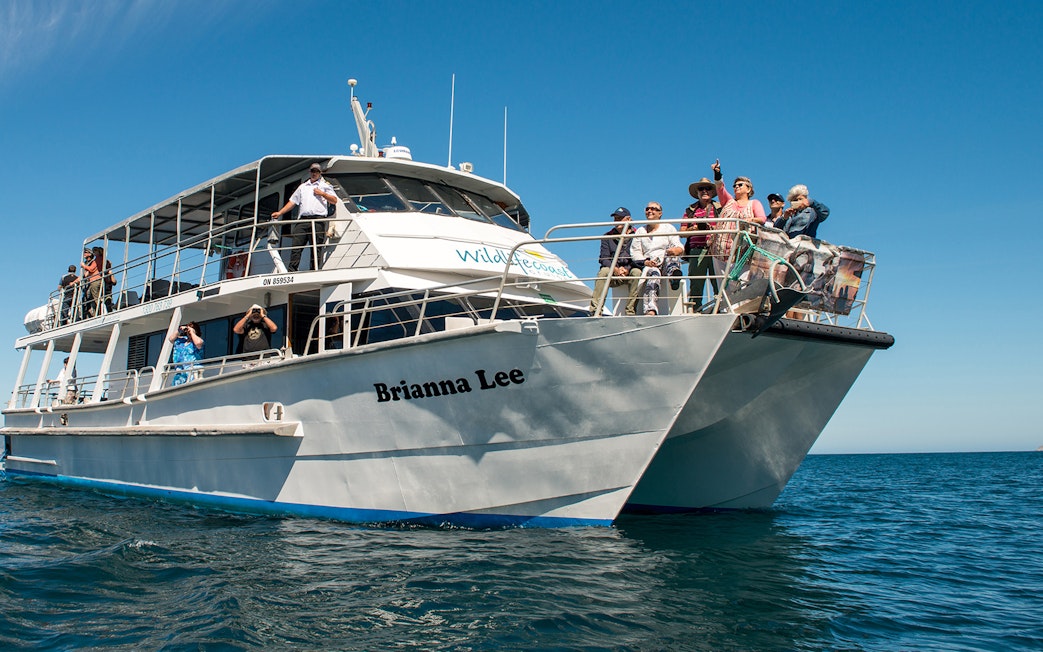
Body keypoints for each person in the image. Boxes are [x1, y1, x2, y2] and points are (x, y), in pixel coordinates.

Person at [272, 163, 338, 272]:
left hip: (318, 220)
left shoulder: (325, 186)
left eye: (316, 171)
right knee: (296, 246)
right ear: (309, 172)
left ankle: (314, 270)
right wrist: (280, 213)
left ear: (320, 173)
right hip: (303, 220)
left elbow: (334, 200)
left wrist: (322, 194)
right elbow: (292, 202)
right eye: (312, 171)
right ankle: (292, 270)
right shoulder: (302, 187)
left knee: (316, 247)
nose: (314, 173)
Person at [710, 160, 766, 274]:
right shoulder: (729, 201)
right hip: (721, 251)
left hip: (742, 252)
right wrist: (717, 173)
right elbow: (720, 187)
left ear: (749, 189)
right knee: (722, 285)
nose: (736, 187)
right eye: (734, 185)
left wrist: (751, 220)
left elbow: (762, 219)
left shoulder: (754, 203)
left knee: (741, 282)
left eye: (740, 185)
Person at [631, 201, 684, 315]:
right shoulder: (640, 231)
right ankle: (651, 310)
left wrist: (676, 250)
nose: (650, 211)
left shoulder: (668, 227)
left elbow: (678, 245)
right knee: (653, 274)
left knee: (672, 256)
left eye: (653, 209)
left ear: (660, 213)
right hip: (651, 264)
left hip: (666, 260)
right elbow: (635, 252)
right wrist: (646, 262)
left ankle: (674, 277)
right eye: (647, 209)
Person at [589, 207, 643, 316]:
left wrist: (627, 269)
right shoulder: (607, 236)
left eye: (620, 218)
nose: (617, 221)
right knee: (603, 272)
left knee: (637, 272)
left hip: (630, 270)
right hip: (613, 272)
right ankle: (596, 310)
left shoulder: (638, 235)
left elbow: (639, 257)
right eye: (615, 219)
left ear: (628, 219)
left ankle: (630, 311)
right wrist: (616, 269)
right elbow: (603, 258)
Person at [679, 178, 721, 306]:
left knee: (718, 283)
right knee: (696, 284)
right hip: (696, 249)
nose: (704, 191)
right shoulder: (690, 210)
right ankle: (696, 309)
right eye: (701, 189)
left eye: (707, 188)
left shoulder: (720, 208)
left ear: (712, 192)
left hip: (716, 249)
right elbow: (682, 232)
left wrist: (713, 228)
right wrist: (696, 228)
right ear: (697, 192)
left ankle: (720, 308)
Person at [168, 321, 204, 386]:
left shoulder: (197, 341)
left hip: (193, 370)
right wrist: (179, 330)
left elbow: (198, 343)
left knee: (193, 386)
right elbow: (171, 339)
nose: (188, 333)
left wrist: (192, 332)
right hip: (180, 371)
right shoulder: (182, 340)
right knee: (176, 389)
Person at [80, 248, 103, 319]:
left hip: (92, 282)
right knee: (85, 301)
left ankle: (97, 313)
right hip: (86, 285)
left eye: (86, 252)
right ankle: (87, 316)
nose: (84, 254)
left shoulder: (94, 261)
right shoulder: (88, 262)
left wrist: (83, 266)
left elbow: (91, 269)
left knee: (93, 299)